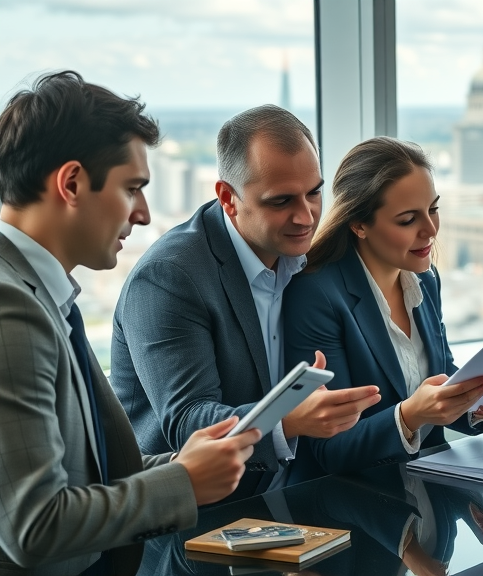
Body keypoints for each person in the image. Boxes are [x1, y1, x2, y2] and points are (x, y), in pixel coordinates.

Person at [0, 71, 261, 576]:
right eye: (132, 189)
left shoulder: (42, 294)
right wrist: (183, 482)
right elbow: (34, 528)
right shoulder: (11, 309)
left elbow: (81, 475)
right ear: (72, 183)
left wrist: (180, 466)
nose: (143, 215)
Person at [111, 105, 381, 499]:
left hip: (289, 502)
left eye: (314, 193)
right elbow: (189, 422)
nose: (306, 217)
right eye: (281, 201)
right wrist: (284, 420)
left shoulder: (306, 260)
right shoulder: (170, 276)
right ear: (228, 197)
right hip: (192, 520)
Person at [282, 136, 483, 479]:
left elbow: (438, 380)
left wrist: (478, 407)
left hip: (428, 497)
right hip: (356, 505)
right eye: (408, 219)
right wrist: (410, 416)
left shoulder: (426, 280)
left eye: (434, 209)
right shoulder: (316, 295)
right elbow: (330, 449)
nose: (430, 230)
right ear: (359, 224)